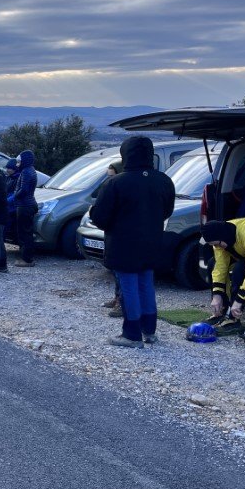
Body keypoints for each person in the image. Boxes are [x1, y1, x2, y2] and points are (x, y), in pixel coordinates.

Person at [91, 136, 175, 348]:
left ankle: (131, 334)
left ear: (125, 154)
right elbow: (167, 212)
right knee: (146, 284)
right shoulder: (164, 181)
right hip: (153, 242)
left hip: (123, 244)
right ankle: (150, 331)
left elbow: (100, 217)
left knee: (129, 287)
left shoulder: (116, 183)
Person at [201, 218, 245, 336]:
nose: (218, 247)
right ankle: (221, 311)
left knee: (239, 269)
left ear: (223, 237)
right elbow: (220, 267)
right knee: (212, 263)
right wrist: (217, 295)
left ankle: (233, 318)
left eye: (218, 244)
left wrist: (239, 301)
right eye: (214, 245)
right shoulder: (220, 237)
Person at [97, 161, 124, 316]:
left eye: (112, 176)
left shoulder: (121, 190)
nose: (109, 180)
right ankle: (117, 298)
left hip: (119, 235)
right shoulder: (111, 188)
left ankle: (121, 303)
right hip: (111, 233)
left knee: (121, 272)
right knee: (115, 271)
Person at [13, 150, 38, 267]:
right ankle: (27, 257)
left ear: (25, 161)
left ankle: (27, 259)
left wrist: (14, 196)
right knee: (26, 232)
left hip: (24, 205)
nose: (17, 164)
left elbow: (24, 190)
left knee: (24, 233)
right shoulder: (30, 170)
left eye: (19, 161)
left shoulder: (27, 172)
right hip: (28, 204)